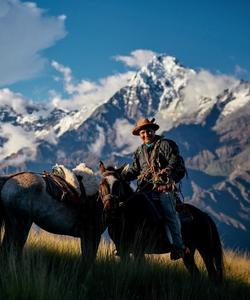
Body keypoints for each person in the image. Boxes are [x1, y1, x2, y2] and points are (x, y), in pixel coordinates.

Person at [122, 117, 186, 260]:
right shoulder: (140, 151)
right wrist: (119, 176)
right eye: (142, 133)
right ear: (139, 135)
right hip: (145, 190)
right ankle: (125, 243)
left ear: (153, 130)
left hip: (165, 188)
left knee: (169, 212)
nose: (146, 134)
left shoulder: (166, 144)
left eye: (148, 131)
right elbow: (134, 169)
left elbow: (175, 161)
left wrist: (167, 172)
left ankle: (178, 246)